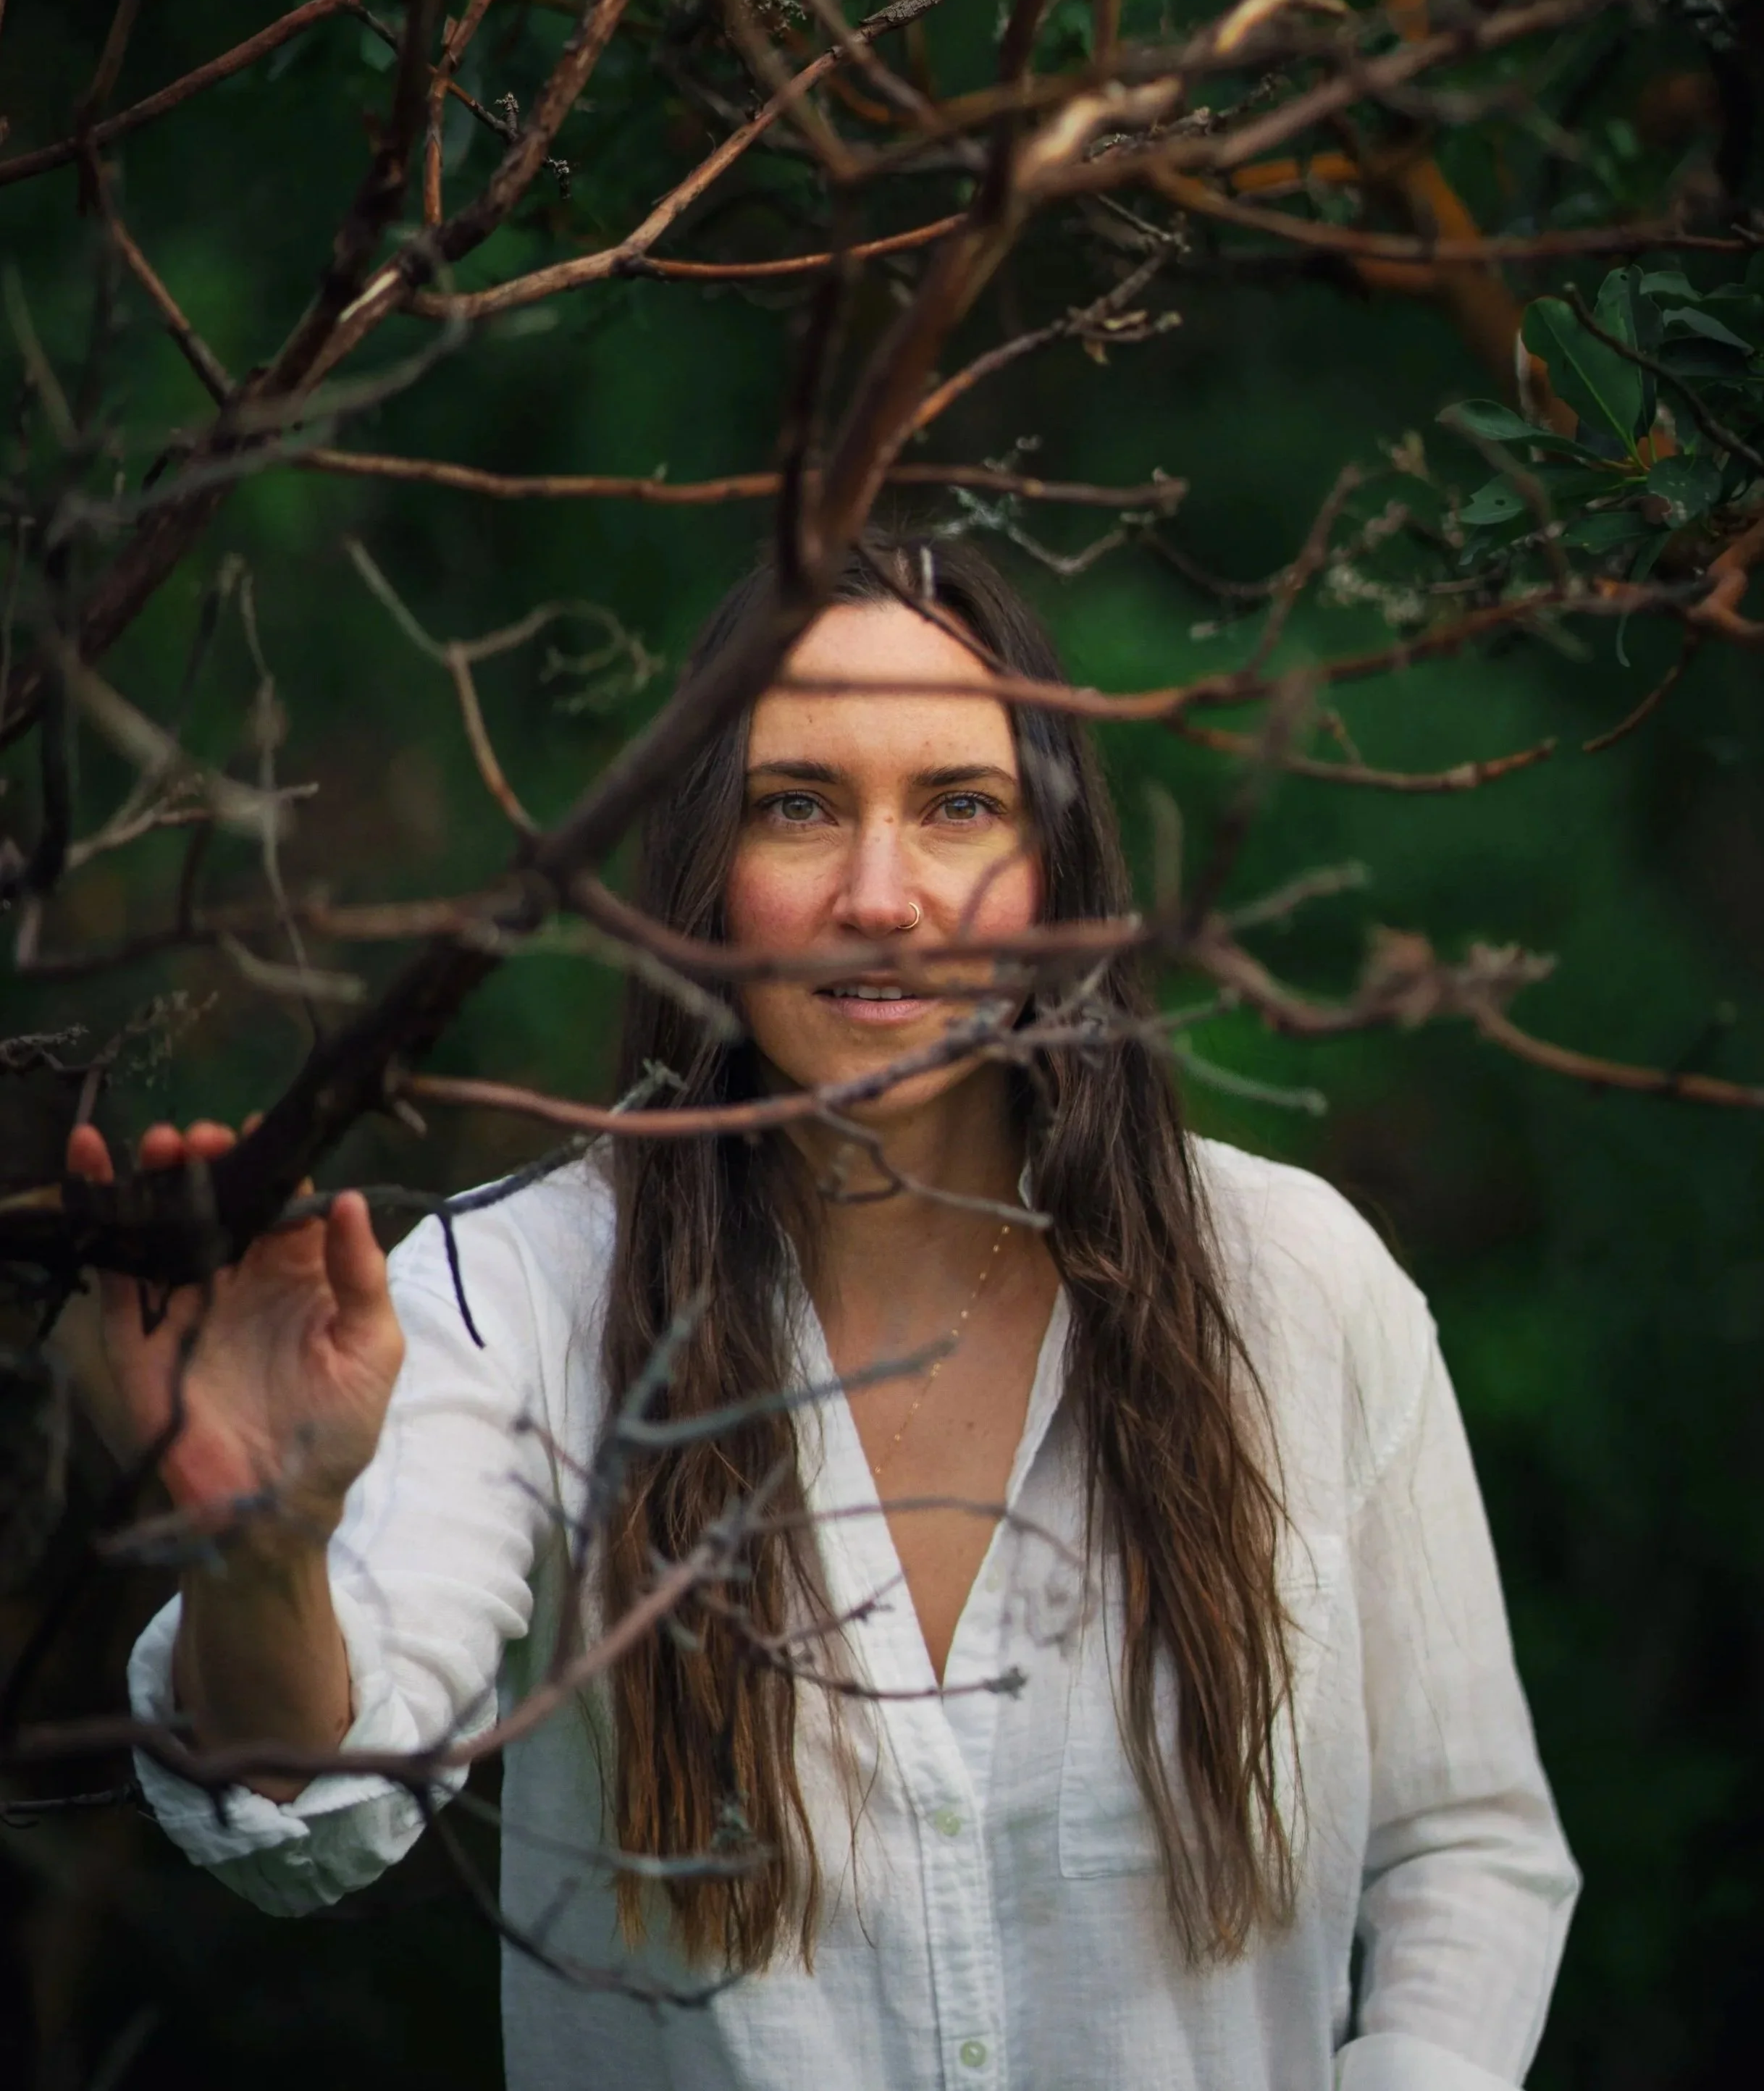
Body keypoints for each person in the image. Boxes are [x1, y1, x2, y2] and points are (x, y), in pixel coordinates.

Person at [72, 534, 1578, 2091]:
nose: (882, 897)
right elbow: (310, 1812)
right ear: (702, 873)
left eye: (959, 808)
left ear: (1058, 866)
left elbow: (1466, 1847)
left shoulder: (1294, 1282)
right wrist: (262, 1541)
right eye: (797, 807)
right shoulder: (517, 1287)